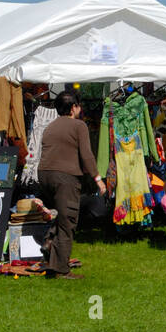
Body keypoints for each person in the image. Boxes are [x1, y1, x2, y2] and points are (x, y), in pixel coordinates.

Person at [37, 90, 106, 280]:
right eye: (78, 105)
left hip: (44, 175)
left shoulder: (50, 126)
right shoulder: (79, 125)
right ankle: (61, 270)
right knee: (68, 221)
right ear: (74, 107)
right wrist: (97, 178)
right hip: (64, 177)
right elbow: (86, 154)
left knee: (60, 215)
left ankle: (49, 244)